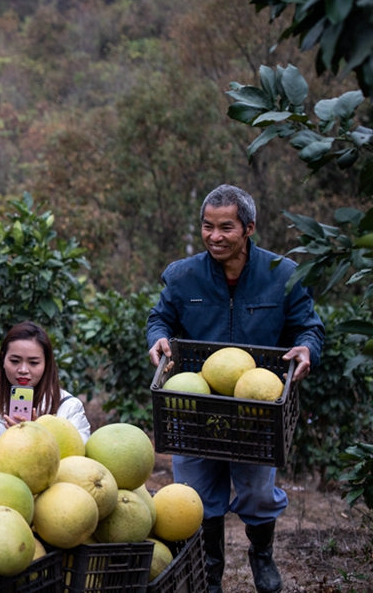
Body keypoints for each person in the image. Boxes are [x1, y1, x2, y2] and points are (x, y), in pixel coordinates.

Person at [146, 184, 324, 593]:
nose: (214, 236)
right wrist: (158, 338)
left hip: (256, 404)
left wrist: (307, 349)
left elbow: (309, 326)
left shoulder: (282, 275)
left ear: (249, 228)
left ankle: (261, 554)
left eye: (226, 227)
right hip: (195, 401)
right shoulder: (183, 275)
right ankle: (211, 573)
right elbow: (160, 319)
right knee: (195, 493)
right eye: (207, 226)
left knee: (259, 491)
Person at [0, 321, 91, 474]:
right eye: (14, 361)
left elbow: (77, 462)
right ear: (3, 359)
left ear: (46, 363)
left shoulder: (68, 407)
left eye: (33, 362)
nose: (23, 370)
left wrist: (35, 436)